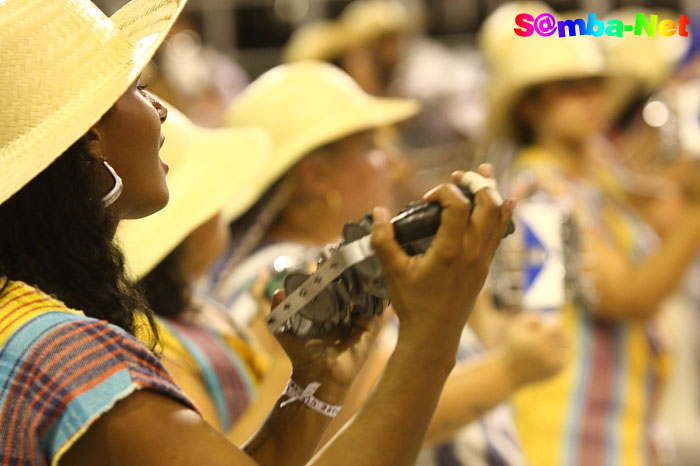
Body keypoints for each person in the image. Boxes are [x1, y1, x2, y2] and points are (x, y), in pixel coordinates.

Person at [0, 1, 514, 464]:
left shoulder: (20, 326)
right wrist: (435, 329)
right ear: (91, 136)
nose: (159, 110)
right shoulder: (61, 355)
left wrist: (314, 385)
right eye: (138, 88)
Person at [480, 3, 700, 465]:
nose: (591, 98)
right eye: (569, 88)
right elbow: (630, 296)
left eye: (593, 84)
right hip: (566, 441)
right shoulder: (538, 196)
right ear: (530, 104)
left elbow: (662, 209)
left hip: (617, 433)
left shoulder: (595, 180)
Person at [116, 104, 290, 444]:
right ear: (189, 228)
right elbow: (216, 452)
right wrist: (287, 369)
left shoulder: (198, 307)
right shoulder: (153, 342)